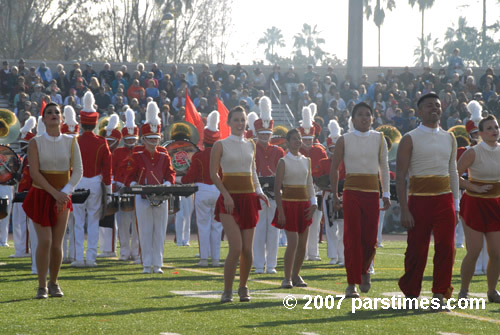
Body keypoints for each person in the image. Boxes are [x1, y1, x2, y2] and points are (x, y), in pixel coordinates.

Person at [397, 93, 459, 306]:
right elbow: (401, 176)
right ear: (420, 111)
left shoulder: (449, 137)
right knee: (416, 249)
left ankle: (440, 293)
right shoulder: (409, 138)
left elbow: (452, 171)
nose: (435, 108)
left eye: (438, 105)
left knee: (446, 248)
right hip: (419, 201)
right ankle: (411, 293)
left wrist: (456, 205)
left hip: (445, 200)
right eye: (429, 105)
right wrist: (404, 209)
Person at [330, 102, 390, 298]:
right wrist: (335, 195)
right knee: (351, 237)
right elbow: (334, 169)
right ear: (353, 119)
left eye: (368, 114)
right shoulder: (344, 140)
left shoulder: (379, 138)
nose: (364, 118)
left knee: (370, 238)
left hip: (372, 193)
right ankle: (351, 283)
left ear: (372, 118)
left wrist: (386, 194)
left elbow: (384, 167)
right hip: (352, 192)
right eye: (360, 115)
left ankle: (365, 271)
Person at [23, 102, 83, 299]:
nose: (53, 115)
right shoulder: (36, 142)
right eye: (49, 113)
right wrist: (55, 193)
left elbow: (78, 172)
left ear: (62, 118)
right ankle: (42, 286)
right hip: (41, 194)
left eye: (56, 112)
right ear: (43, 119)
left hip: (63, 196)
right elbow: (34, 173)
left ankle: (54, 282)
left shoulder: (72, 140)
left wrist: (64, 192)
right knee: (46, 241)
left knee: (58, 244)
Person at [210, 106, 269, 303]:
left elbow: (253, 172)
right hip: (229, 201)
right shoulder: (220, 145)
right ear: (228, 123)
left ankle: (243, 287)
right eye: (236, 120)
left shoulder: (251, 144)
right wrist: (225, 195)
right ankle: (227, 290)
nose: (240, 123)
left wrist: (259, 193)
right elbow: (213, 174)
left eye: (242, 120)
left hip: (249, 198)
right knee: (235, 247)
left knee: (247, 250)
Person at [124, 101, 176, 274]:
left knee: (160, 231)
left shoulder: (164, 155)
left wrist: (168, 184)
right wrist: (134, 185)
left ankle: (158, 263)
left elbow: (170, 174)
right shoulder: (137, 155)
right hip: (143, 197)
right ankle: (147, 264)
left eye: (156, 138)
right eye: (150, 139)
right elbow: (129, 177)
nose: (154, 142)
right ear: (144, 139)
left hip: (161, 196)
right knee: (145, 231)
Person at [457, 114, 500, 303]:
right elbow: (453, 175)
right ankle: (464, 290)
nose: (494, 131)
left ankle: (492, 291)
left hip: (495, 204)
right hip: (474, 203)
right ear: (480, 133)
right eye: (489, 128)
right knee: (474, 251)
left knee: (497, 253)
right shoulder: (473, 152)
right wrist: (473, 187)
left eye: (496, 127)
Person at [72, 92, 112, 268]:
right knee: (94, 221)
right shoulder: (102, 142)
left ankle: (79, 258)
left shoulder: (74, 142)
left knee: (78, 222)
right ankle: (91, 258)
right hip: (96, 183)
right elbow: (107, 169)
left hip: (77, 183)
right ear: (95, 123)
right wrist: (108, 191)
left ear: (81, 123)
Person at [273, 128, 317, 288]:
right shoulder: (283, 161)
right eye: (294, 139)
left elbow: (309, 183)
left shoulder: (306, 160)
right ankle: (287, 278)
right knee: (293, 242)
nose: (298, 141)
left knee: (302, 245)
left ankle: (296, 274)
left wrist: (314, 203)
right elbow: (277, 188)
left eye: (299, 138)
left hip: (304, 205)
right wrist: (281, 210)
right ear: (288, 141)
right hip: (289, 204)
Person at [181, 111, 222, 267]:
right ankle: (216, 259)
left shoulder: (198, 156)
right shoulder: (222, 155)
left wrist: (184, 176)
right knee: (217, 226)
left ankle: (204, 259)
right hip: (218, 191)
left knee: (203, 226)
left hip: (202, 191)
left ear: (204, 141)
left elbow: (189, 178)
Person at [252, 97, 285, 274]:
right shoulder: (252, 148)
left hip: (274, 195)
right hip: (257, 196)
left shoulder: (278, 151)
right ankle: (258, 265)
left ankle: (271, 264)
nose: (265, 137)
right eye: (262, 134)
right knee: (258, 231)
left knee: (274, 231)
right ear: (257, 134)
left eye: (267, 134)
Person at [299, 105, 327, 261]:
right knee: (302, 223)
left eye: (310, 139)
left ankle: (313, 252)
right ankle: (301, 253)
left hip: (317, 191)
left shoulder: (320, 150)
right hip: (301, 192)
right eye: (305, 139)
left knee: (316, 223)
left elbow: (324, 171)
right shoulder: (296, 151)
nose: (308, 142)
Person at [114, 108, 140, 262]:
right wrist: (115, 183)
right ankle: (124, 252)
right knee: (123, 224)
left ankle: (136, 251)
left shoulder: (141, 151)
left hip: (136, 190)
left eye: (133, 139)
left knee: (137, 224)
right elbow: (112, 169)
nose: (131, 142)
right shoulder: (117, 152)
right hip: (121, 190)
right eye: (128, 139)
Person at [9, 116, 36, 258]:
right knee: (18, 221)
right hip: (21, 191)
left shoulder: (31, 157)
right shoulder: (23, 157)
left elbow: (29, 176)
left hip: (27, 192)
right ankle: (20, 249)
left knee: (24, 222)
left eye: (23, 144)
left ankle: (25, 250)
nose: (21, 146)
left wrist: (19, 177)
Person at [320, 120, 345, 266]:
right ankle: (333, 256)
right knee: (330, 227)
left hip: (343, 195)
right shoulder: (323, 162)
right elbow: (319, 179)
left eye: (336, 148)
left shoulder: (346, 162)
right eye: (331, 148)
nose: (334, 151)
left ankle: (342, 256)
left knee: (343, 226)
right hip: (328, 195)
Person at [97, 114, 122, 258]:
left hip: (114, 186)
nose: (107, 143)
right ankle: (104, 248)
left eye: (111, 141)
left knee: (111, 218)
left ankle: (111, 249)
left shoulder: (118, 153)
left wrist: (114, 182)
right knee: (102, 216)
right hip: (102, 184)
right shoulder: (103, 151)